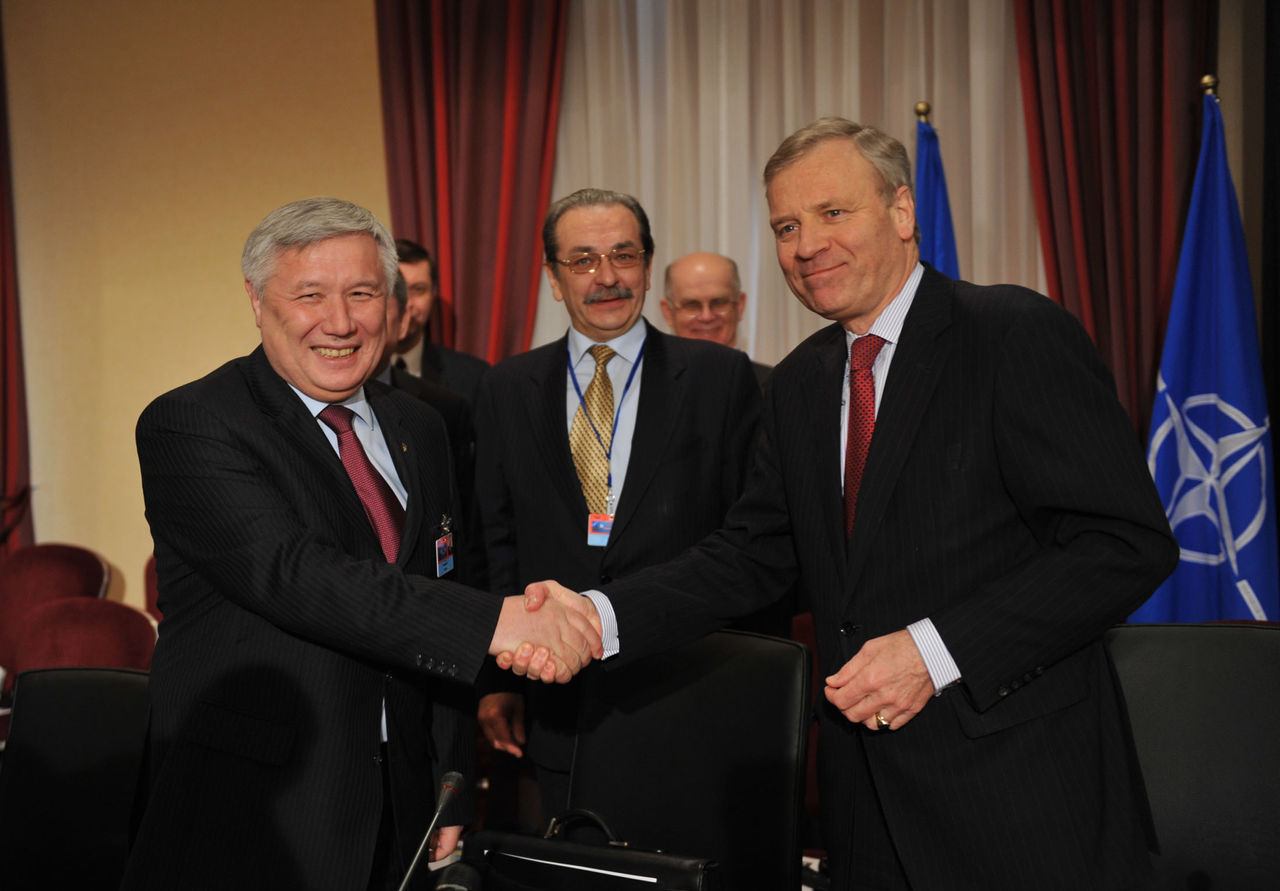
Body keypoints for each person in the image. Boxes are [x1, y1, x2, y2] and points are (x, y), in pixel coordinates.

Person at [519, 120, 1179, 890]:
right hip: (863, 805)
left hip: (1021, 795)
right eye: (787, 227)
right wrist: (596, 615)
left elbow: (1124, 545)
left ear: (902, 212)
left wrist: (934, 650)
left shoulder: (1012, 334)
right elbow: (750, 556)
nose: (807, 246)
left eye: (833, 213)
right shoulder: (799, 383)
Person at [125, 197, 600, 891]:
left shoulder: (422, 426)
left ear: (395, 304)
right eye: (310, 295)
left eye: (362, 293)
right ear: (257, 301)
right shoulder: (192, 423)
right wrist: (499, 622)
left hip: (399, 805)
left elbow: (439, 589)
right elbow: (296, 575)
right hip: (254, 810)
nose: (341, 322)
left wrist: (450, 781)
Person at [473, 188, 764, 821]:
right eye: (582, 260)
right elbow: (497, 539)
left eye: (623, 255)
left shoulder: (720, 376)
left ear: (648, 267)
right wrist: (498, 680)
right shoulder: (506, 387)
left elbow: (751, 541)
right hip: (557, 697)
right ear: (554, 279)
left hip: (690, 688)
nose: (606, 277)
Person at [393, 238, 490, 406]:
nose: (407, 303)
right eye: (397, 289)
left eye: (418, 289)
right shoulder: (354, 372)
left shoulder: (473, 377)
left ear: (433, 295)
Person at [660, 250, 772, 386]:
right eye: (692, 305)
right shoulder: (645, 387)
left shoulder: (775, 386)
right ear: (668, 312)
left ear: (740, 306)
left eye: (719, 302)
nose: (706, 317)